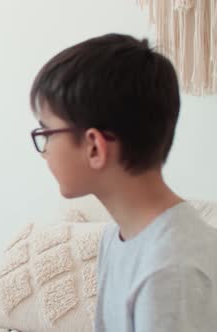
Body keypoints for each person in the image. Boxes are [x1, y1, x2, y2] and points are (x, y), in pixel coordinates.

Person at [29, 33, 217, 331]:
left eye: (46, 134)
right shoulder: (119, 238)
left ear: (94, 147)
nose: (45, 151)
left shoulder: (171, 268)